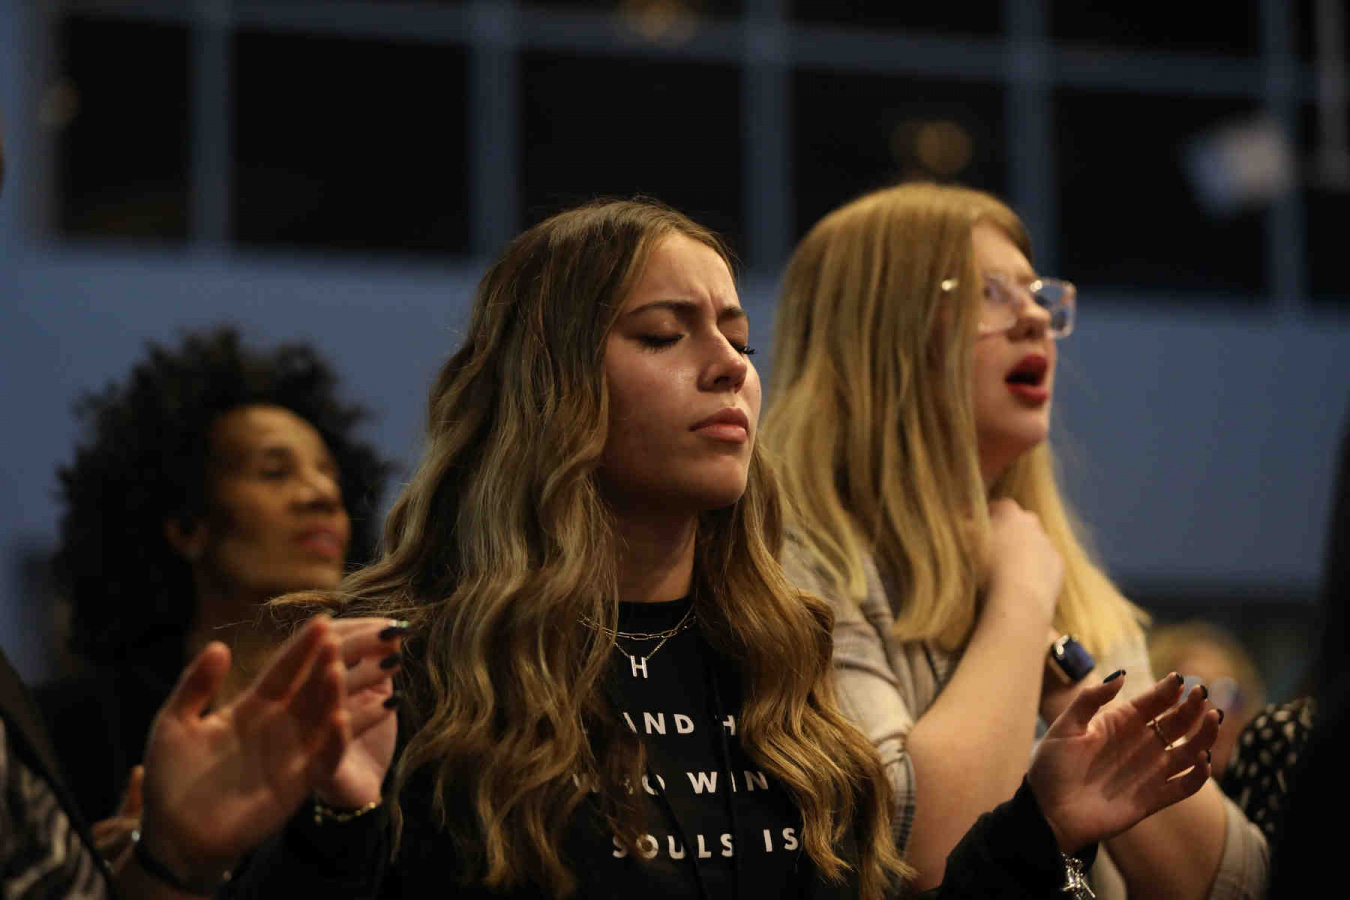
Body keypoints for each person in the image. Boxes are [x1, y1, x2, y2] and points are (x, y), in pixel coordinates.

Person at [228, 198, 1218, 900]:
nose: (729, 366)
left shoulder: (783, 656)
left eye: (739, 337)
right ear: (548, 387)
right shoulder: (405, 664)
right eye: (666, 334)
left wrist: (1036, 831)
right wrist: (335, 827)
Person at [762, 183, 1266, 899]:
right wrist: (1022, 599)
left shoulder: (1066, 581)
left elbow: (1235, 884)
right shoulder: (798, 559)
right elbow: (924, 858)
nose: (1033, 316)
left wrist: (1063, 670)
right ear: (876, 332)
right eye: (987, 294)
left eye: (1035, 294)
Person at [38, 326, 391, 821]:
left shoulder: (382, 717)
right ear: (188, 526)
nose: (324, 496)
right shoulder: (71, 730)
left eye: (332, 476)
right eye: (275, 472)